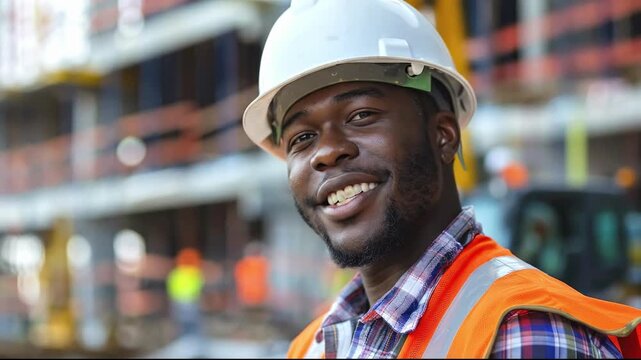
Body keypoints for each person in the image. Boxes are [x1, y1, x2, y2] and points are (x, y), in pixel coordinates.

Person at [241, 0, 641, 358]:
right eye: (301, 138)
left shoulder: (522, 332)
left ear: (443, 136)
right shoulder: (311, 347)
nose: (327, 151)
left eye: (361, 115)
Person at [166, 247, 205, 340]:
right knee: (191, 327)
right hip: (189, 303)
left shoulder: (175, 273)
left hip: (180, 303)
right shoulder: (194, 273)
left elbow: (171, 289)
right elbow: (199, 288)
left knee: (183, 327)